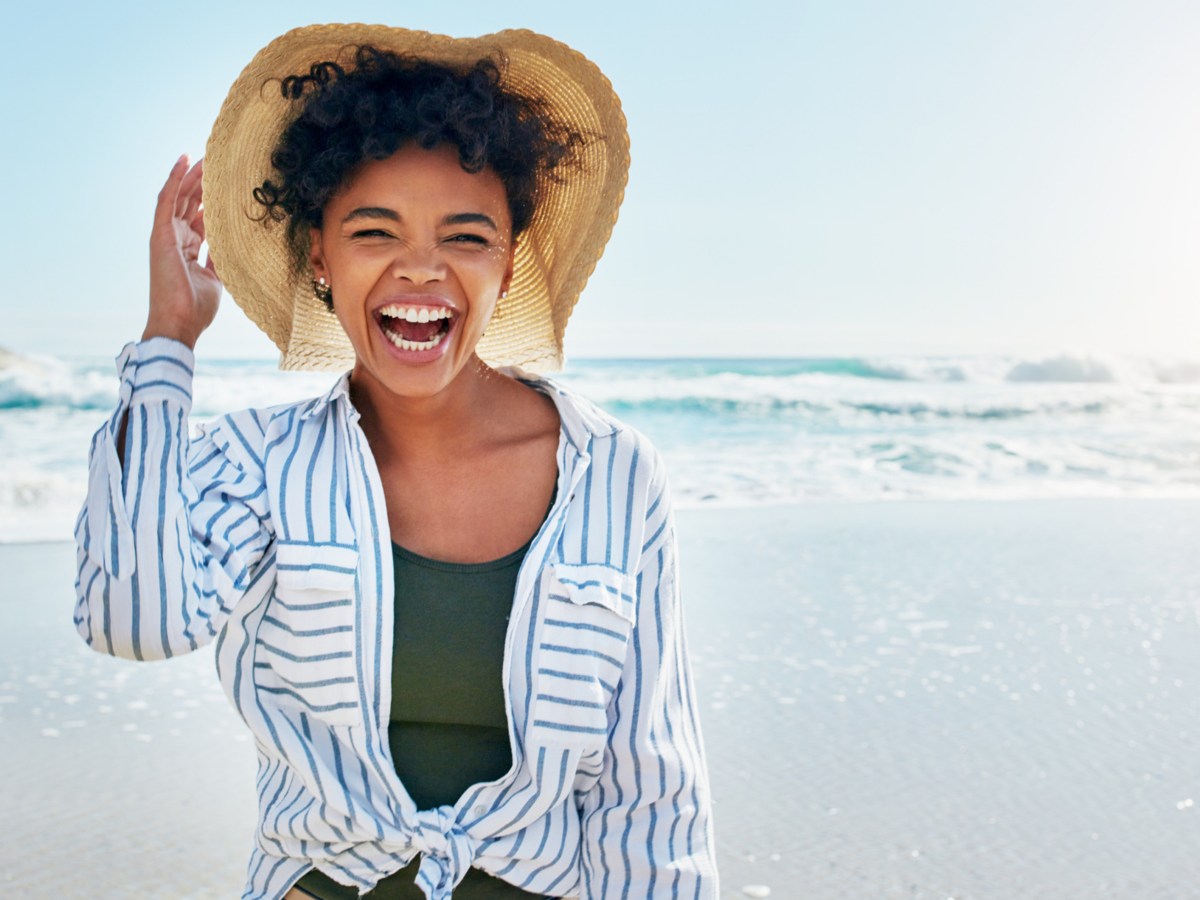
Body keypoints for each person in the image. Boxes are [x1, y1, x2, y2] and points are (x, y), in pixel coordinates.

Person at [73, 24, 716, 900]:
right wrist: (167, 342)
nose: (422, 270)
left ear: (509, 262)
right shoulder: (260, 465)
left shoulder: (614, 474)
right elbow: (131, 617)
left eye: (466, 237)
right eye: (375, 231)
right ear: (320, 257)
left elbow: (652, 793)